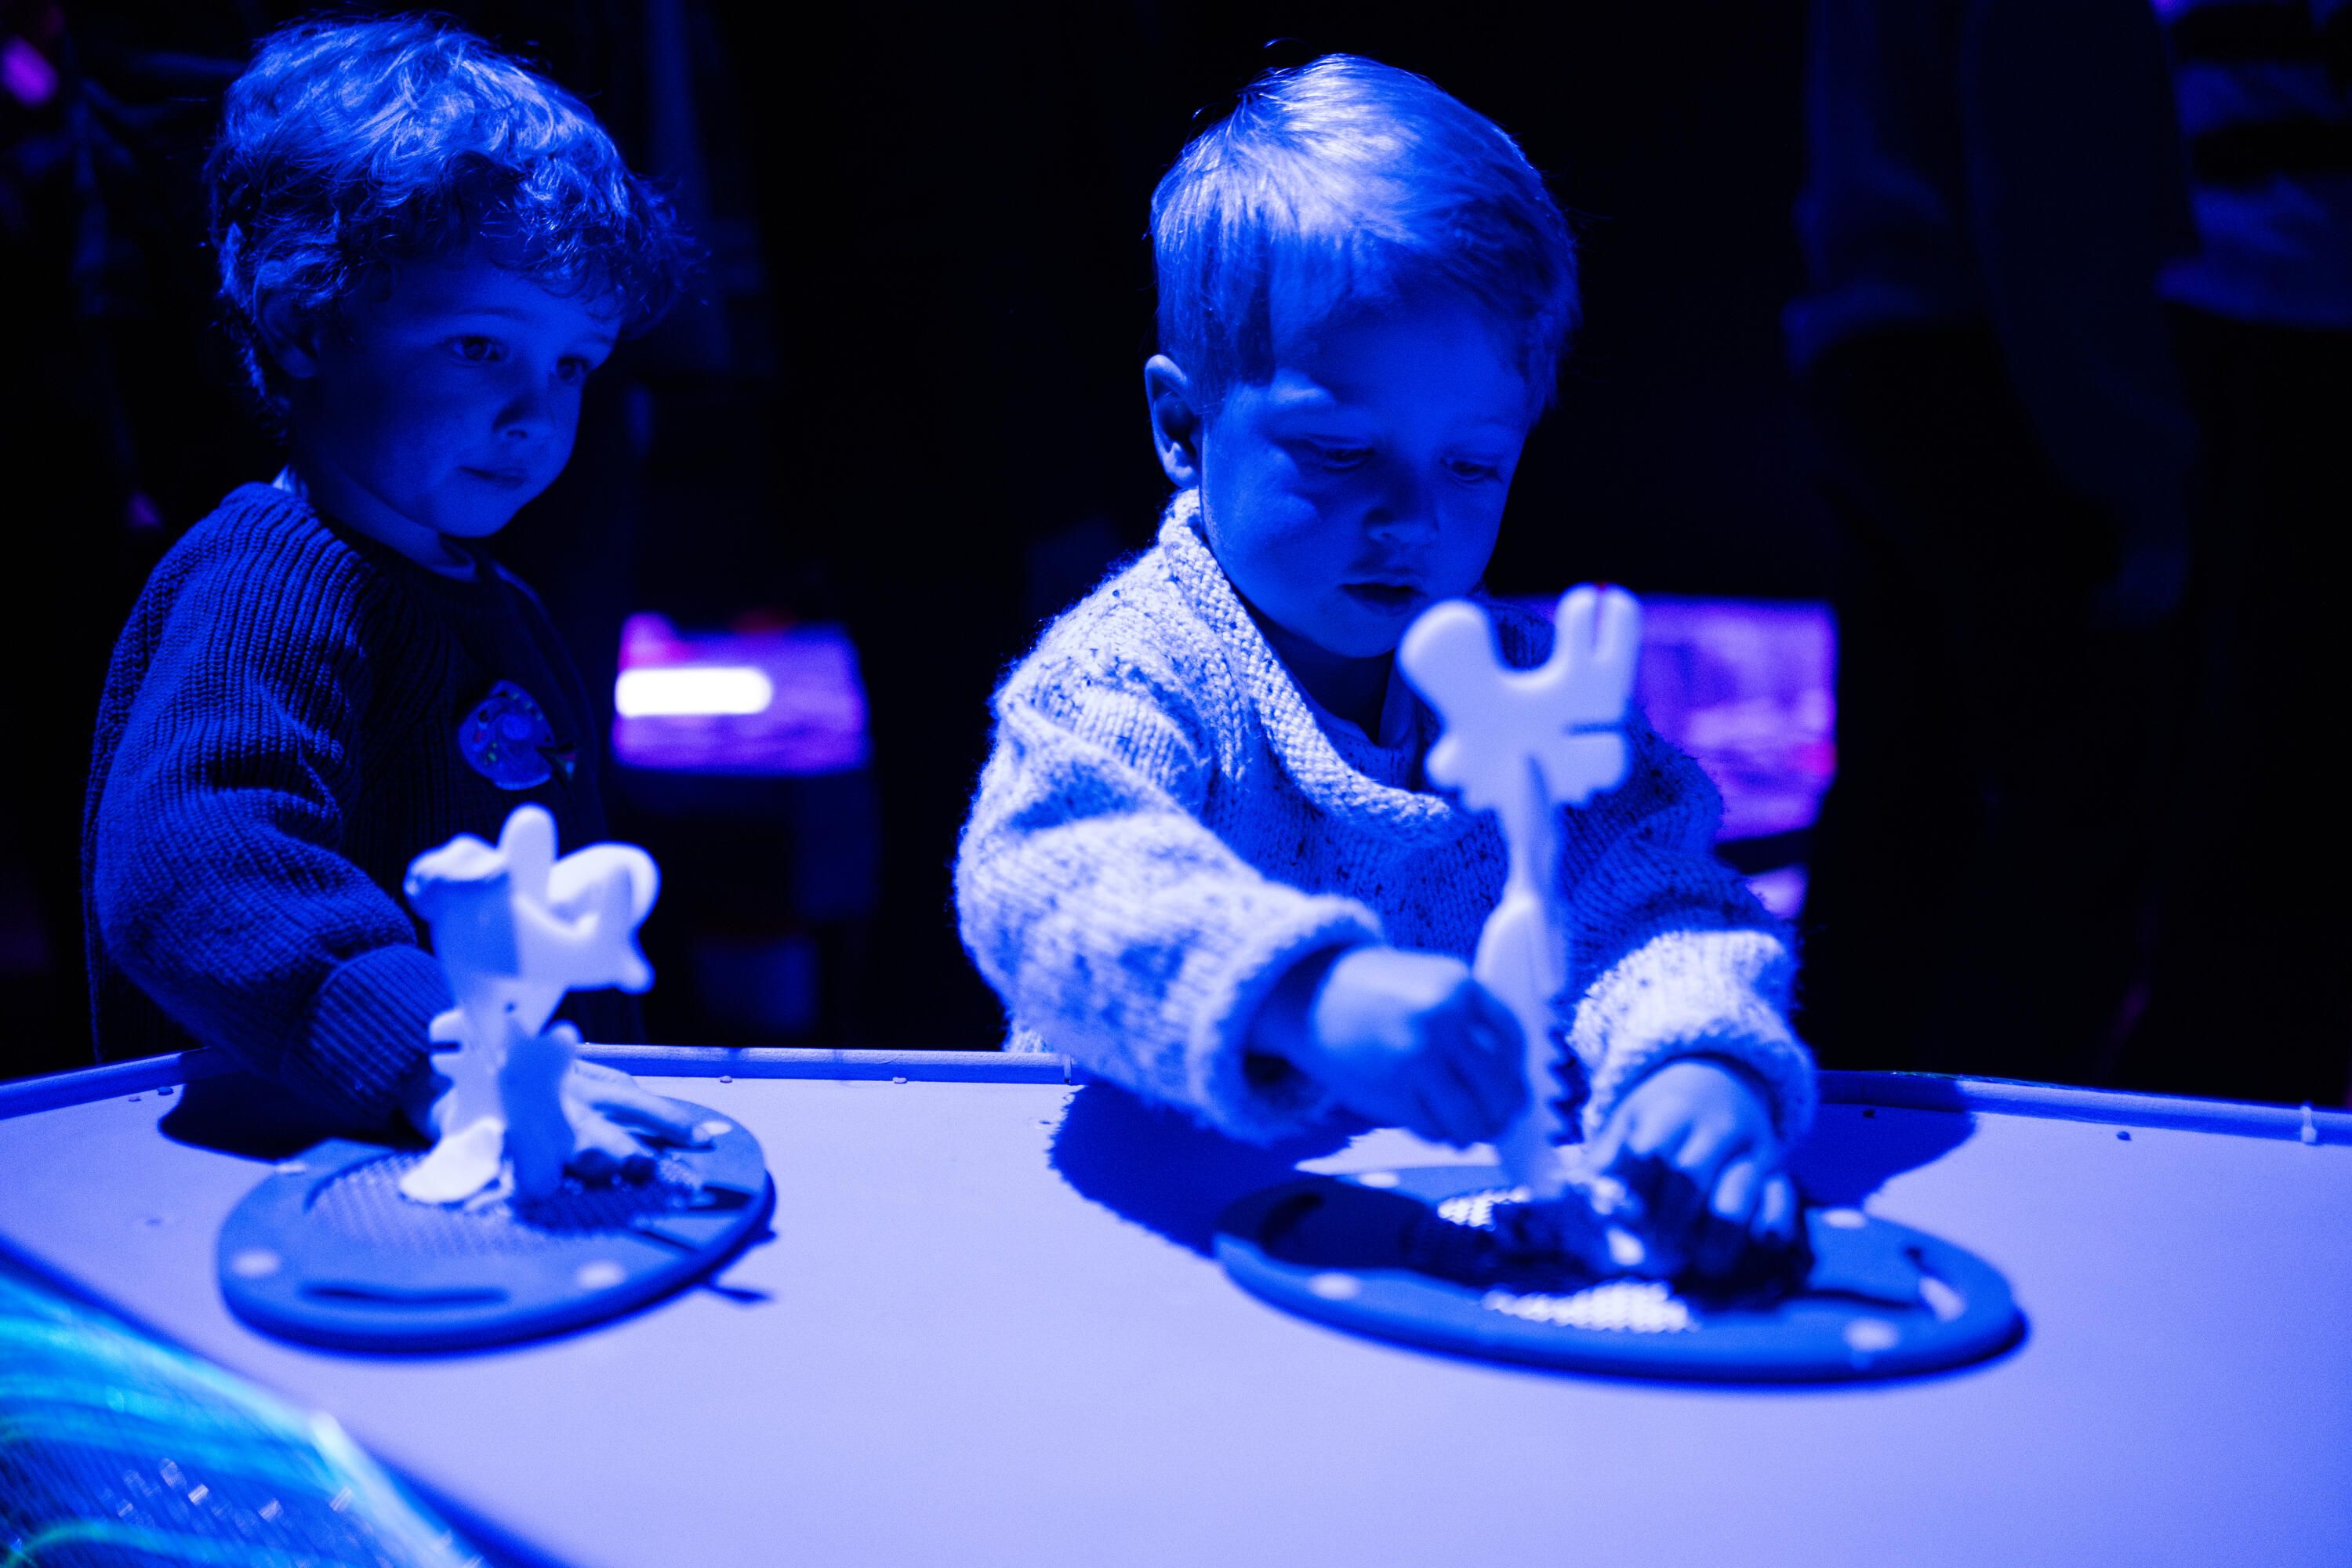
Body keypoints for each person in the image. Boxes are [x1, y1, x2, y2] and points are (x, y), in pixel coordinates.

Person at [956, 56, 1814, 1270]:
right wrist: (1309, 995)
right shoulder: (1137, 671)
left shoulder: (1534, 694)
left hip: (1426, 1262)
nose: (1413, 519)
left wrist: (1696, 1065)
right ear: (1184, 427)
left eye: (1471, 465)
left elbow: (1660, 909)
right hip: (1143, 1253)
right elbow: (1046, 879)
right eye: (1342, 452)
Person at [83, 17, 698, 1159]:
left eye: (572, 363)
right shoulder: (267, 580)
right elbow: (194, 866)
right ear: (305, 320)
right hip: (297, 1178)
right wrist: (438, 1059)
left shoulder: (496, 598)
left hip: (474, 1159)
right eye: (479, 347)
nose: (536, 413)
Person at [1784, 0, 2199, 1085]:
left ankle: (1832, 1113)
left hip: (1868, 343)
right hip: (1991, 370)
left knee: (1901, 798)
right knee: (2070, 813)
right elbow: (2053, 200)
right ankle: (2025, 1143)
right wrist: (2139, 472)